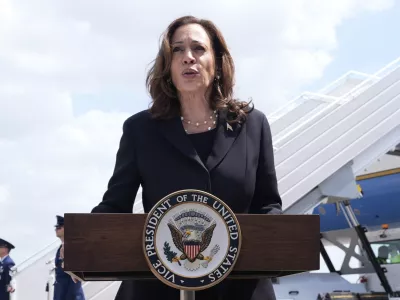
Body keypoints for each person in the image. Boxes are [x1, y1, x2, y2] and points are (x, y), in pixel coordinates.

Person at [91, 15, 282, 300]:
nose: (188, 58)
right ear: (167, 66)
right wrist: (81, 237)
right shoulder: (140, 129)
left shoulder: (252, 125)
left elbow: (268, 205)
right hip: (157, 288)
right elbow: (114, 204)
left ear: (217, 62)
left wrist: (285, 236)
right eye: (177, 50)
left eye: (198, 49)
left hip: (239, 289)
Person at [53, 215, 85, 300]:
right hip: (61, 294)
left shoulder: (73, 247)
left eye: (59, 227)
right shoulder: (61, 248)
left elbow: (76, 275)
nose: (56, 229)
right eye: (56, 227)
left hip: (71, 295)